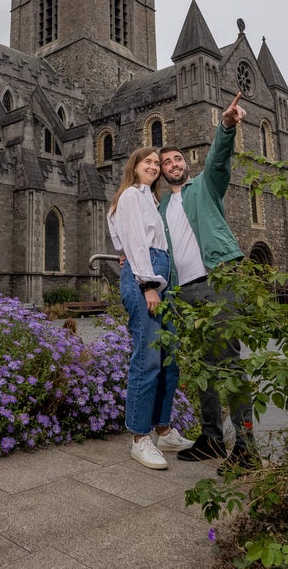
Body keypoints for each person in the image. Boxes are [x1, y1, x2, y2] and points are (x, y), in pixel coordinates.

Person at [159, 92, 257, 471]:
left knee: (229, 364)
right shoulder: (163, 206)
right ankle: (212, 439)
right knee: (203, 367)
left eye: (177, 158)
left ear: (187, 164)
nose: (173, 165)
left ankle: (247, 448)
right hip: (185, 292)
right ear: (163, 174)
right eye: (166, 162)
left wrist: (227, 125)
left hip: (217, 279)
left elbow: (219, 156)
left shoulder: (205, 186)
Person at [108, 146, 194, 469]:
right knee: (147, 358)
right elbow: (132, 240)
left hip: (160, 274)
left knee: (169, 360)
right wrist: (147, 284)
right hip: (145, 279)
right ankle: (139, 437)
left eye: (157, 163)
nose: (155, 167)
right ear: (135, 165)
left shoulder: (150, 200)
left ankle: (163, 429)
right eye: (149, 162)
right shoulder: (131, 196)